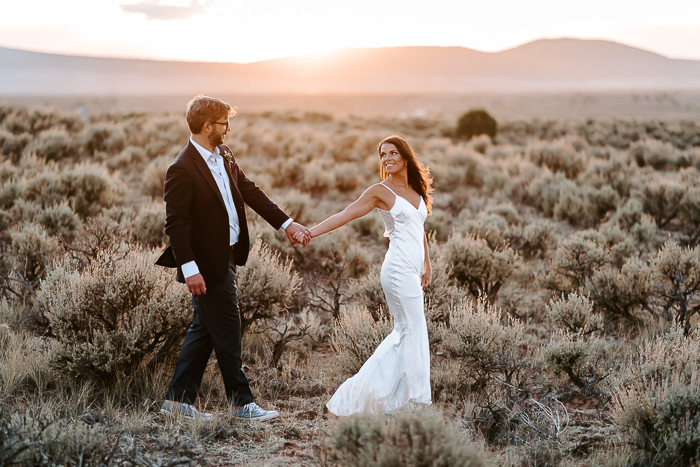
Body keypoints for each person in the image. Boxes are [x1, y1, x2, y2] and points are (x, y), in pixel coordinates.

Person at [155, 95, 310, 421]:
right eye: (224, 123)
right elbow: (176, 225)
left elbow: (249, 190)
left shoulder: (223, 154)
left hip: (227, 256)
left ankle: (175, 403)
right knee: (227, 328)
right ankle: (241, 404)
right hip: (206, 265)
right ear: (207, 126)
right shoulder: (181, 169)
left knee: (205, 329)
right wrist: (190, 268)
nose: (229, 128)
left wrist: (286, 223)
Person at [295, 135, 433, 416]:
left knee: (410, 331)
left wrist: (427, 265)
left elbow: (420, 231)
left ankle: (404, 398)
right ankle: (389, 398)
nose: (387, 159)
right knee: (410, 329)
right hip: (396, 270)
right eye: (383, 155)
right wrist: (312, 231)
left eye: (393, 153)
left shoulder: (416, 191)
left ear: (405, 157)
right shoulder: (380, 191)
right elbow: (347, 214)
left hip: (413, 268)